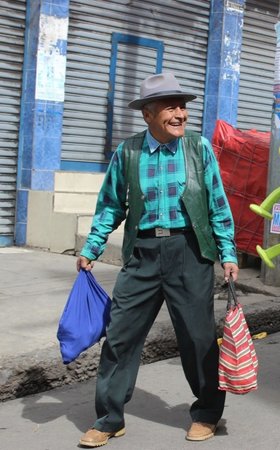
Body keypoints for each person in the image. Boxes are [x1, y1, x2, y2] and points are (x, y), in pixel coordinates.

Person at [76, 72, 239, 447]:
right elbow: (111, 205)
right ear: (148, 114)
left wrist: (227, 252)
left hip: (189, 251)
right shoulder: (128, 152)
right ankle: (109, 417)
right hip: (142, 254)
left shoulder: (198, 149)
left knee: (198, 338)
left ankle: (207, 413)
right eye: (171, 107)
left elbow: (216, 204)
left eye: (182, 107)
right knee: (120, 336)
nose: (181, 114)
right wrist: (92, 247)